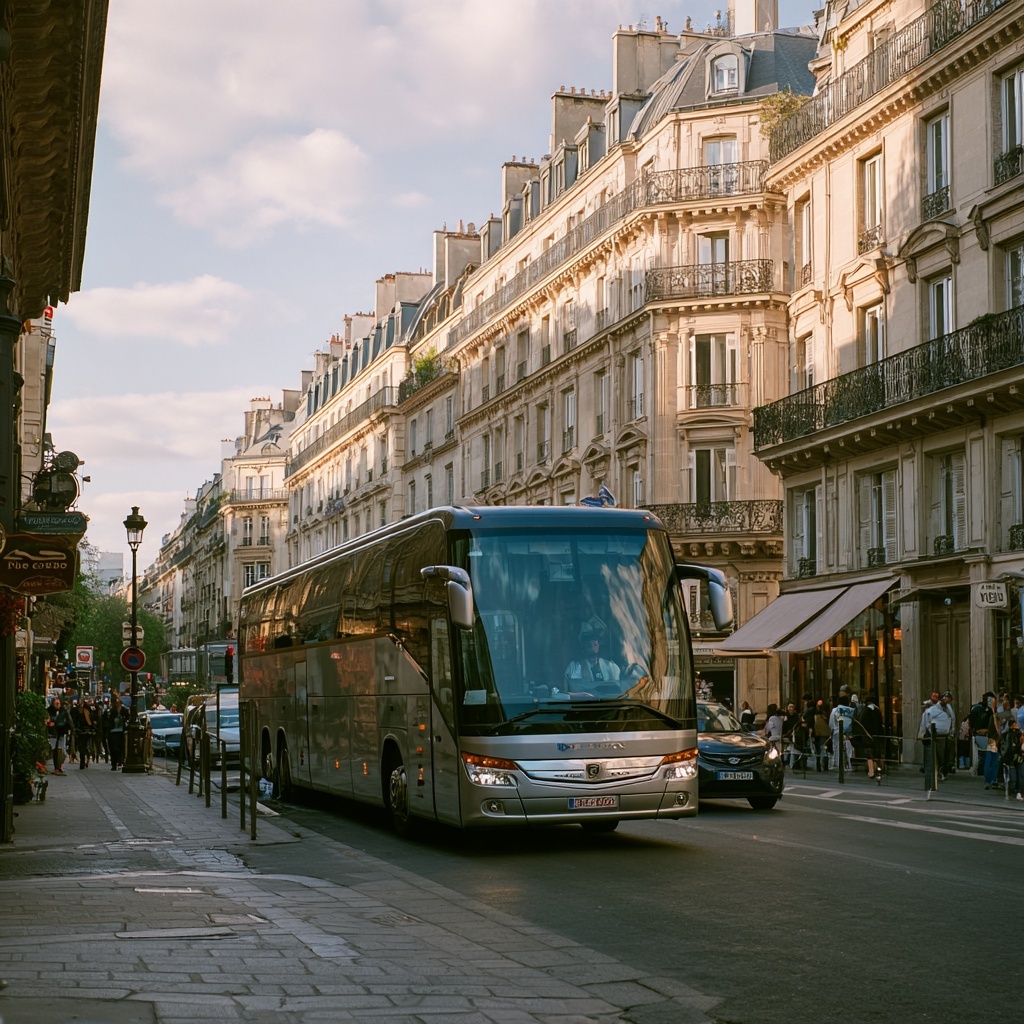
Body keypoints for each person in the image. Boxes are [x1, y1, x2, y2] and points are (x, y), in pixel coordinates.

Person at [564, 624, 620, 689]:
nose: (592, 648)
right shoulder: (574, 667)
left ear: (599, 646)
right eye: (589, 646)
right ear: (583, 648)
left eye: (595, 645)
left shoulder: (610, 667)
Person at [854, 694, 885, 779]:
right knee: (877, 753)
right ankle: (878, 769)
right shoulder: (877, 710)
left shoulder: (865, 710)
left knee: (869, 753)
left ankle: (871, 771)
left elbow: (860, 722)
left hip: (867, 735)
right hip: (877, 735)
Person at [969, 691, 995, 777]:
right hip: (980, 734)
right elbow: (972, 721)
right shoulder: (978, 709)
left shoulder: (988, 710)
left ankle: (982, 771)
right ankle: (981, 771)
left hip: (984, 733)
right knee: (982, 755)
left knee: (983, 755)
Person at [47, 697, 74, 775]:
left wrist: (72, 729)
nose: (57, 705)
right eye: (56, 703)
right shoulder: (50, 710)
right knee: (55, 750)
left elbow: (68, 720)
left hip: (61, 732)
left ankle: (58, 767)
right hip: (53, 733)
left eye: (58, 703)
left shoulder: (63, 711)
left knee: (61, 750)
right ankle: (57, 767)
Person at [829, 696, 856, 771]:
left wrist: (831, 731)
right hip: (848, 733)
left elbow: (831, 723)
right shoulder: (851, 710)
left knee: (837, 748)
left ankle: (839, 764)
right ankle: (849, 765)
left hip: (837, 731)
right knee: (848, 748)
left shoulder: (835, 710)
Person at [105, 695, 130, 770]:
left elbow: (128, 719)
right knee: (113, 749)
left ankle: (120, 761)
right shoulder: (112, 710)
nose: (117, 704)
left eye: (118, 702)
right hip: (113, 731)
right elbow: (108, 720)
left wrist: (123, 720)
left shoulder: (124, 710)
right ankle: (114, 763)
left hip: (121, 731)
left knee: (121, 748)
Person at [936, 691, 956, 776]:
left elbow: (952, 719)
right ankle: (940, 768)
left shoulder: (949, 707)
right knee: (940, 753)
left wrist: (952, 731)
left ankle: (945, 768)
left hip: (947, 733)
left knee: (947, 753)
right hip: (938, 733)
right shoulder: (936, 707)